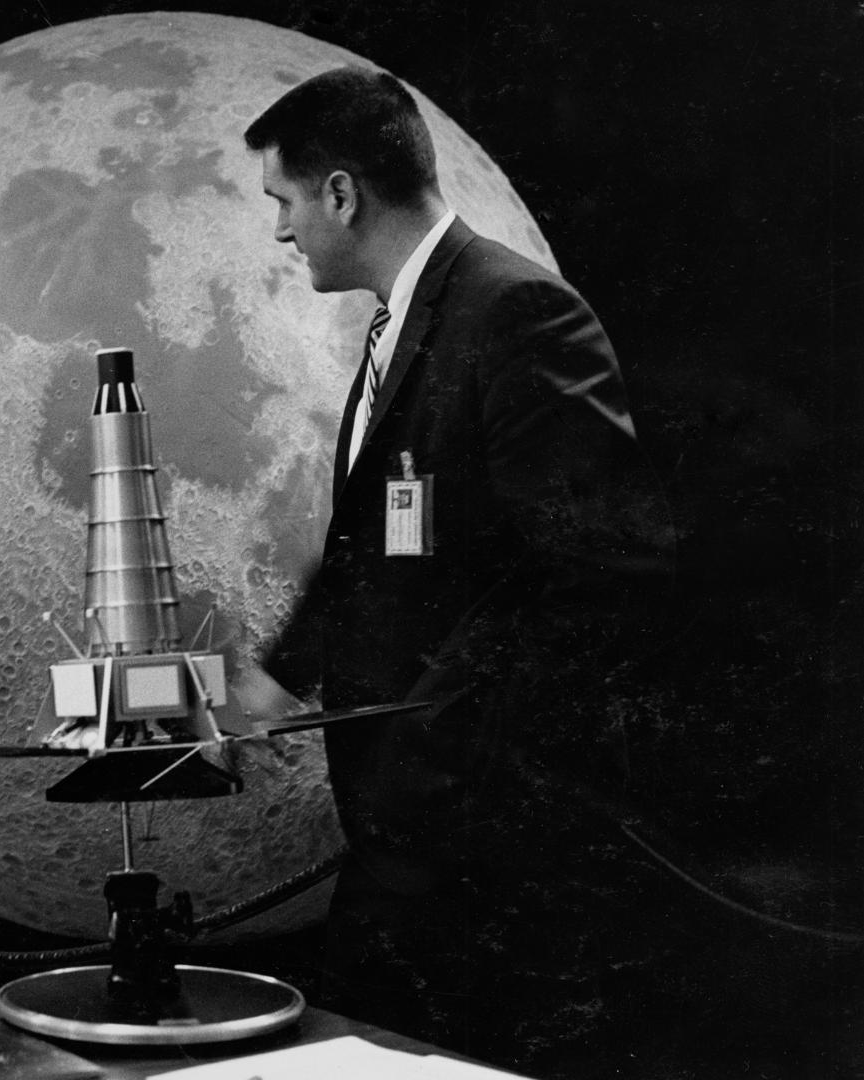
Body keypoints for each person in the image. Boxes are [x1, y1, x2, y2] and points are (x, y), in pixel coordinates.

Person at [241, 68, 675, 1071]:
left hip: (483, 835)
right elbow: (383, 540)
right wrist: (275, 677)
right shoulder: (408, 320)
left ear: (341, 194)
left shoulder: (514, 312)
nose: (278, 229)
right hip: (410, 827)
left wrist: (441, 727)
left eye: (282, 201)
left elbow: (608, 571)